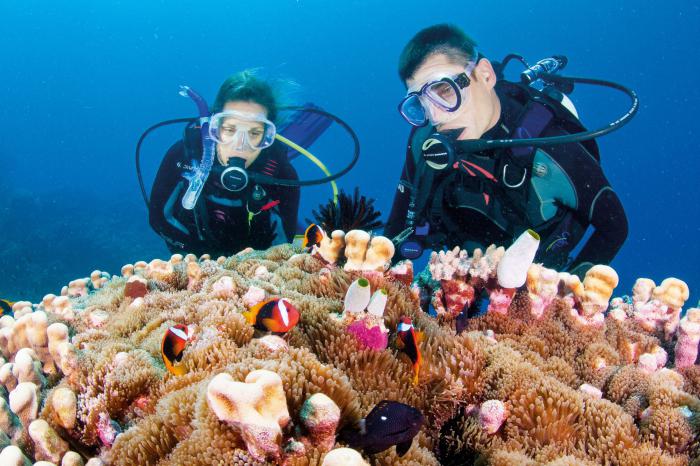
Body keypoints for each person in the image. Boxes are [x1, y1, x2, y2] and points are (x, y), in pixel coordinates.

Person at [385, 24, 628, 277]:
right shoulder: (424, 138)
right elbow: (397, 226)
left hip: (533, 267)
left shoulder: (551, 144)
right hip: (462, 260)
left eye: (445, 90)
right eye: (419, 103)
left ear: (486, 75)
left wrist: (571, 291)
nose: (435, 116)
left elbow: (615, 226)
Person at [149, 71, 300, 257]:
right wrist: (199, 260)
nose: (240, 146)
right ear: (214, 127)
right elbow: (158, 218)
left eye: (254, 133)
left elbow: (287, 242)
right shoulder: (184, 156)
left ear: (267, 136)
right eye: (230, 129)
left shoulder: (282, 175)